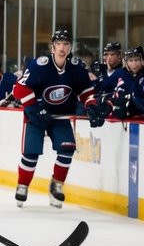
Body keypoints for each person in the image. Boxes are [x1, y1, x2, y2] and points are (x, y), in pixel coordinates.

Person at [11, 29, 104, 208]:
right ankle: (22, 185)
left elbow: (87, 92)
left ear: (71, 47)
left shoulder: (77, 68)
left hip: (61, 115)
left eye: (66, 44)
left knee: (67, 149)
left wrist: (91, 105)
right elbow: (19, 89)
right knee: (31, 153)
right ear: (52, 46)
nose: (62, 48)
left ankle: (57, 185)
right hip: (36, 115)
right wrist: (34, 109)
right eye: (59, 44)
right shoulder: (39, 65)